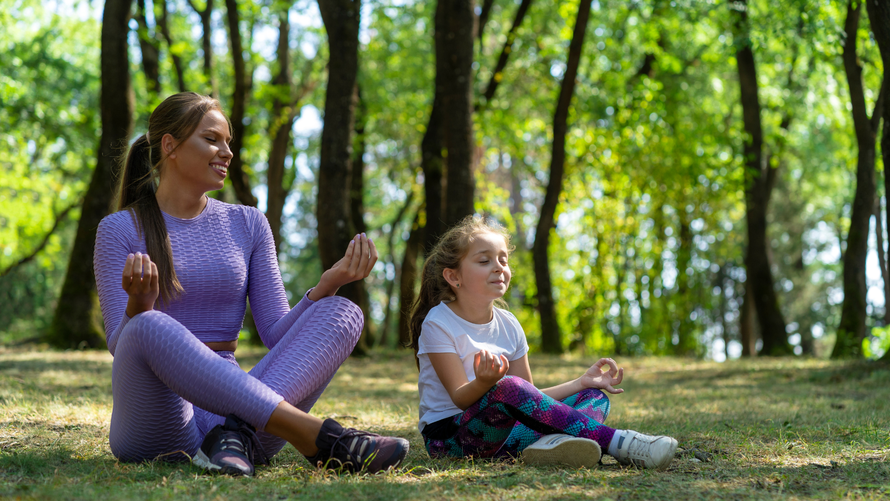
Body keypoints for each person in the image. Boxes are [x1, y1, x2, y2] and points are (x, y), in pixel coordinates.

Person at [93, 92, 408, 476]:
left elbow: (276, 335)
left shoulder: (248, 223)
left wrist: (329, 283)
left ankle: (231, 437)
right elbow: (118, 343)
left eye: (229, 142)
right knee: (148, 325)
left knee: (343, 312)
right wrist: (139, 307)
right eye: (212, 139)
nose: (227, 152)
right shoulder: (119, 229)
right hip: (159, 422)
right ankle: (320, 437)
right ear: (170, 145)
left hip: (239, 417)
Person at [409, 216, 678, 469]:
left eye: (503, 260)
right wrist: (484, 383)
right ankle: (621, 443)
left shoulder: (509, 323)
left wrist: (581, 383)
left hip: (505, 435)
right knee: (509, 387)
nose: (499, 268)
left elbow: (530, 400)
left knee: (594, 398)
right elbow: (460, 396)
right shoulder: (438, 322)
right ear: (453, 277)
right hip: (452, 440)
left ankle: (549, 445)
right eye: (484, 261)